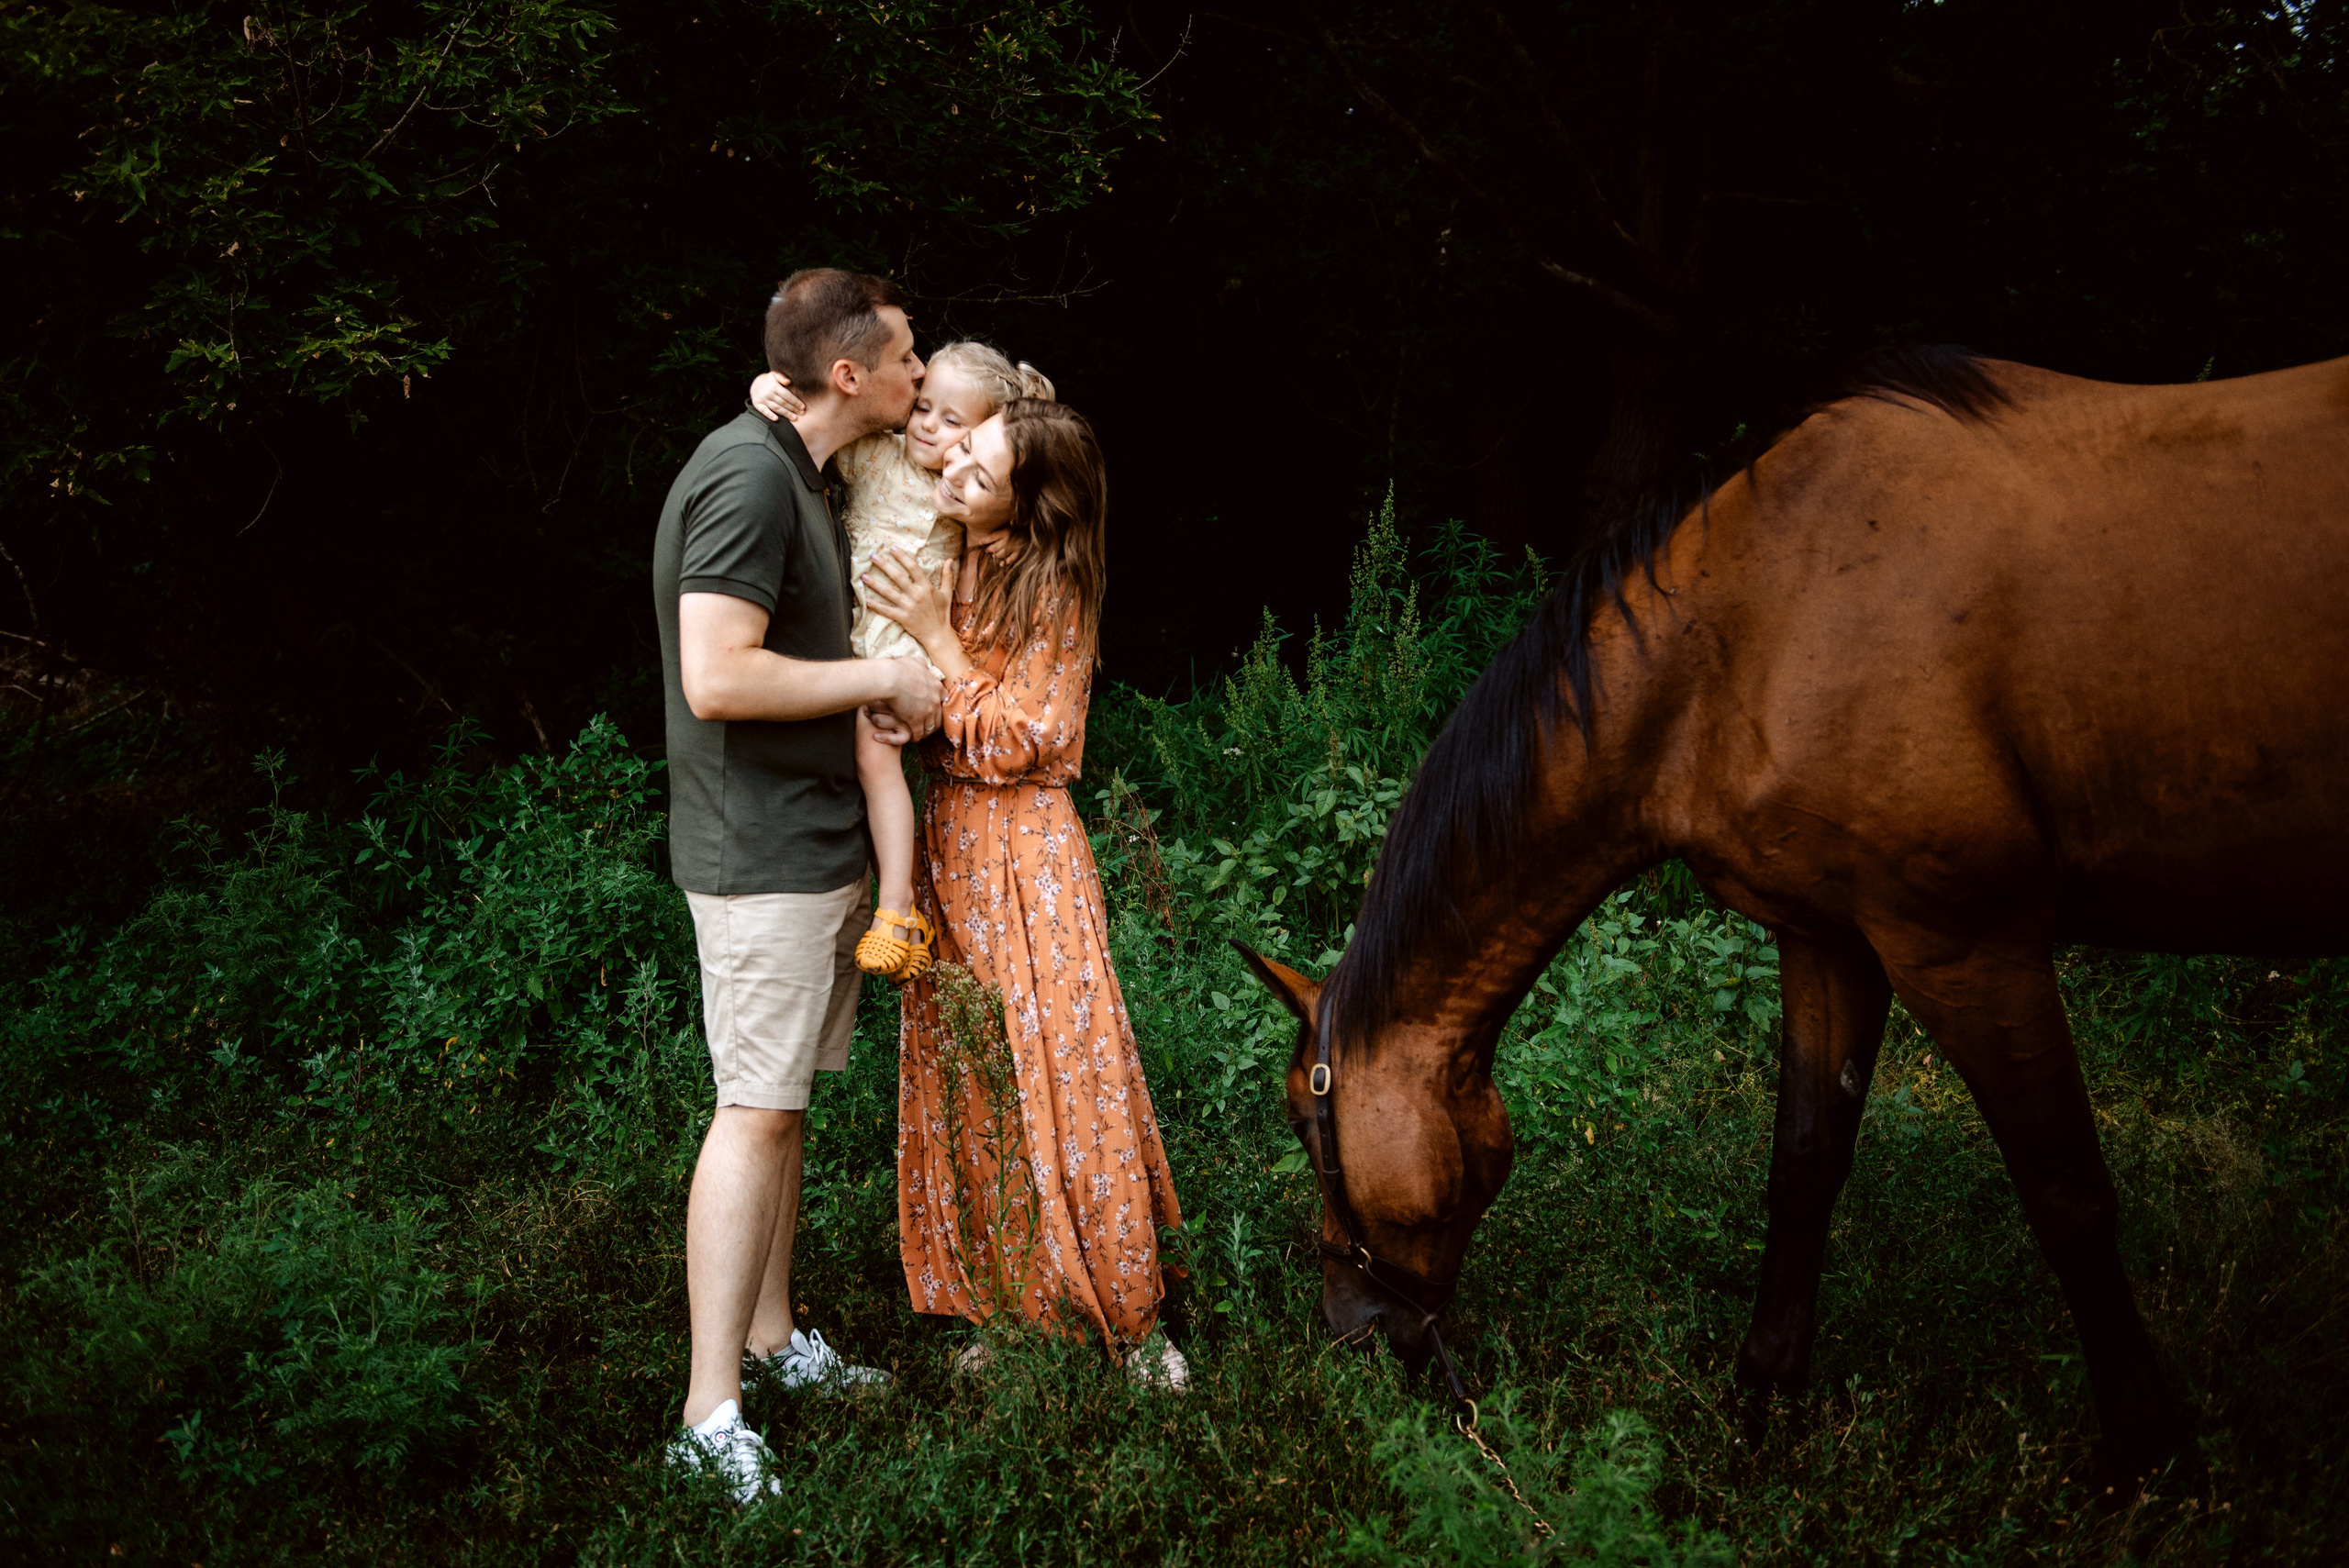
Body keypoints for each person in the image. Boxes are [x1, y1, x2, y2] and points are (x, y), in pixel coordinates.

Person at [651, 268, 942, 1506]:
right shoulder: (747, 473)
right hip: (758, 855)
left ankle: (773, 1339)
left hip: (814, 846)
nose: (922, 376)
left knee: (785, 1111)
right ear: (848, 374)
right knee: (752, 1109)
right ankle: (708, 1408)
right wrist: (883, 687)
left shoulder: (797, 463)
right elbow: (717, 675)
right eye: (909, 359)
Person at [860, 399, 1190, 1387]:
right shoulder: (945, 538)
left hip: (1028, 854)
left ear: (1028, 499)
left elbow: (1021, 738)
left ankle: (1130, 1321)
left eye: (981, 467)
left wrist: (934, 641)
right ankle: (1017, 1311)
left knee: (1065, 1071)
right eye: (960, 450)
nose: (955, 469)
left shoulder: (1056, 582)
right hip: (949, 843)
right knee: (977, 1079)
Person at [742, 344, 1056, 985]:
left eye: (951, 423)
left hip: (905, 646)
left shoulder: (965, 493)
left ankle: (895, 909)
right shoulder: (878, 456)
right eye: (922, 407)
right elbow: (809, 426)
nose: (926, 426)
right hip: (852, 633)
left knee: (871, 750)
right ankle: (871, 894)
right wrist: (765, 392)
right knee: (842, 747)